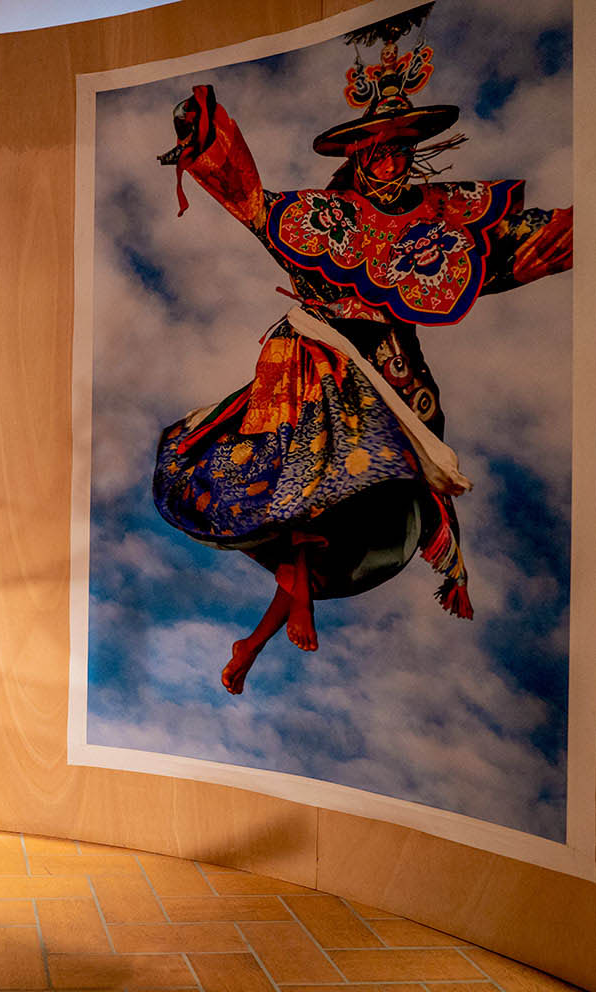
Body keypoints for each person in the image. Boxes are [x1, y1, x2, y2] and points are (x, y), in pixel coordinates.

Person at [152, 40, 572, 695]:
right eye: (377, 150)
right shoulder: (323, 221)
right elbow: (256, 207)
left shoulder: (440, 226)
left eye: (402, 150)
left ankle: (267, 625)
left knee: (400, 473)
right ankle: (278, 604)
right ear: (357, 156)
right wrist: (208, 136)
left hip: (392, 371)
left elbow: (502, 254)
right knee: (299, 470)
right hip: (314, 361)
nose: (391, 162)